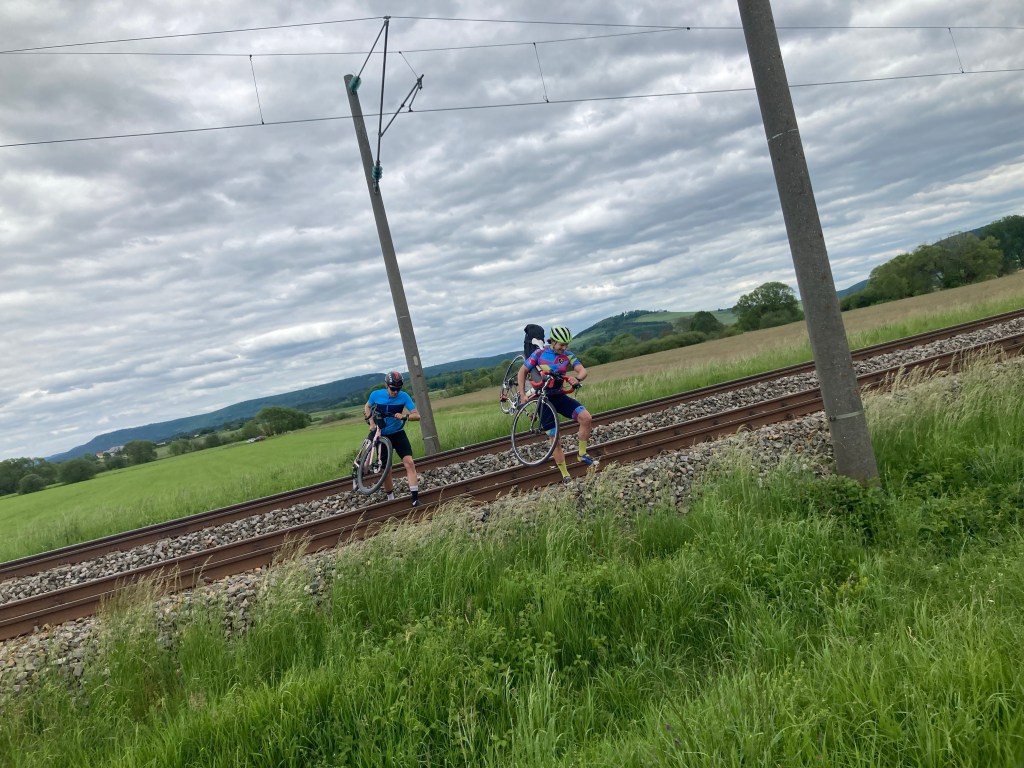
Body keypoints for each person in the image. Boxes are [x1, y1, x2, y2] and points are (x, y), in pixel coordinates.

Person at [517, 325, 596, 483]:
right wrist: (522, 394)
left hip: (559, 396)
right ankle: (565, 475)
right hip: (544, 400)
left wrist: (577, 378)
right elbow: (522, 371)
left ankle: (581, 454)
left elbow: (582, 371)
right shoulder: (539, 353)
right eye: (561, 344)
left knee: (586, 418)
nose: (564, 347)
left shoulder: (568, 355)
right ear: (552, 341)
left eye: (567, 344)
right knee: (555, 439)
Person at [364, 370, 422, 506]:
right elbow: (367, 406)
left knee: (409, 463)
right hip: (383, 435)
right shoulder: (376, 394)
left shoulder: (404, 396)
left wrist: (404, 416)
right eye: (392, 388)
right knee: (386, 470)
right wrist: (371, 423)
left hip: (398, 433)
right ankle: (391, 498)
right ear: (386, 385)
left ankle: (415, 499)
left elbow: (417, 415)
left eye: (398, 389)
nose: (395, 392)